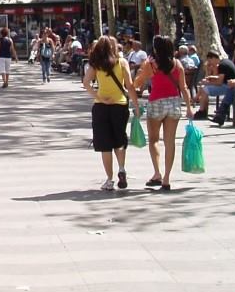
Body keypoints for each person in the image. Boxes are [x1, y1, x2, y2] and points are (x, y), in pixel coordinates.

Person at [134, 35, 194, 191]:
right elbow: (184, 88)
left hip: (156, 103)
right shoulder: (177, 64)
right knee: (170, 142)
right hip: (174, 103)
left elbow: (137, 82)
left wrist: (140, 72)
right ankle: (167, 178)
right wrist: (189, 107)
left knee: (154, 140)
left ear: (156, 48)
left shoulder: (151, 64)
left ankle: (157, 173)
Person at [83, 36, 137, 191]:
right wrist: (136, 105)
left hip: (101, 106)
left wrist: (98, 97)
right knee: (119, 140)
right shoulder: (122, 62)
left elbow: (86, 83)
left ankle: (109, 179)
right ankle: (121, 168)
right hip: (119, 105)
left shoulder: (96, 64)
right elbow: (130, 86)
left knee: (105, 145)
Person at [194, 50, 235, 119]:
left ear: (213, 58)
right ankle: (203, 109)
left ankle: (202, 111)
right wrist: (210, 77)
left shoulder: (222, 65)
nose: (210, 63)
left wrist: (208, 82)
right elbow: (221, 77)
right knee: (204, 87)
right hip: (228, 84)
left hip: (229, 87)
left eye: (210, 61)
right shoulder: (225, 62)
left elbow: (219, 82)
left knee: (205, 89)